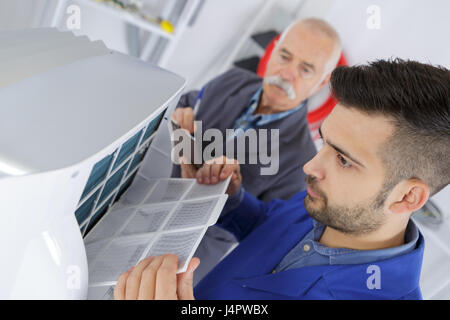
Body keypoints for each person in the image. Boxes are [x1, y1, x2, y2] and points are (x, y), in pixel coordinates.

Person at [114, 58, 450, 300]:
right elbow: (266, 223)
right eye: (325, 142)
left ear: (408, 197)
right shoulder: (327, 202)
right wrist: (232, 196)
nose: (310, 166)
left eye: (344, 160)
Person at [171, 18, 342, 283]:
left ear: (320, 83)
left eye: (305, 69)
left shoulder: (304, 163)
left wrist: (228, 193)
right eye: (284, 56)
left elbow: (261, 233)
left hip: (185, 260)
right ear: (273, 50)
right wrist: (180, 126)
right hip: (143, 205)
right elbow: (187, 103)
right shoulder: (232, 80)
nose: (286, 74)